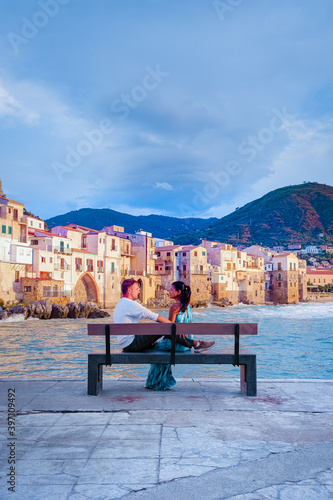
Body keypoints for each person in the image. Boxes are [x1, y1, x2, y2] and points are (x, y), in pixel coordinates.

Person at [113, 278, 215, 354]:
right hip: (131, 345)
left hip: (127, 343)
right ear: (129, 290)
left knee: (163, 327)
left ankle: (195, 343)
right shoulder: (130, 304)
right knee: (165, 326)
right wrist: (177, 328)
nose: (139, 291)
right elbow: (153, 316)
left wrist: (150, 339)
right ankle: (195, 344)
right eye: (137, 288)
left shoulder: (121, 303)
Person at [145, 281, 214, 390]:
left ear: (178, 292)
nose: (169, 292)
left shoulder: (174, 306)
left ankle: (156, 382)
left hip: (177, 344)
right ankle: (158, 381)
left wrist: (158, 341)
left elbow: (169, 329)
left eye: (171, 290)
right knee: (159, 348)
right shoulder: (188, 306)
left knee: (152, 347)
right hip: (187, 343)